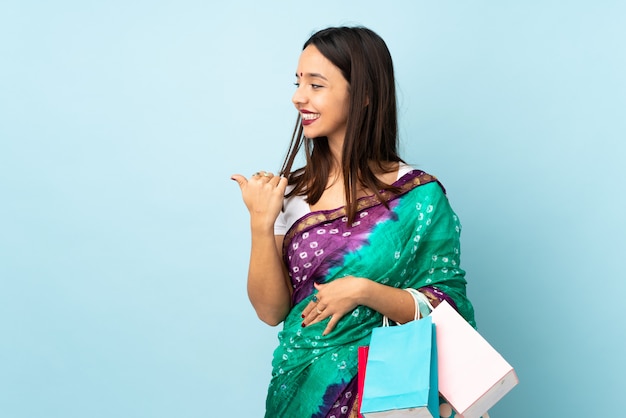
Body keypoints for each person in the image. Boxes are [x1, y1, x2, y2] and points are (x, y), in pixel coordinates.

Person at [231, 26, 475, 418]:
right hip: (300, 391)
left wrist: (362, 290)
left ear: (363, 95)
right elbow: (271, 312)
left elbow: (450, 310)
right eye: (298, 83)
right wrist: (261, 223)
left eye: (316, 85)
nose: (299, 97)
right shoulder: (290, 194)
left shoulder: (418, 196)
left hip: (387, 397)